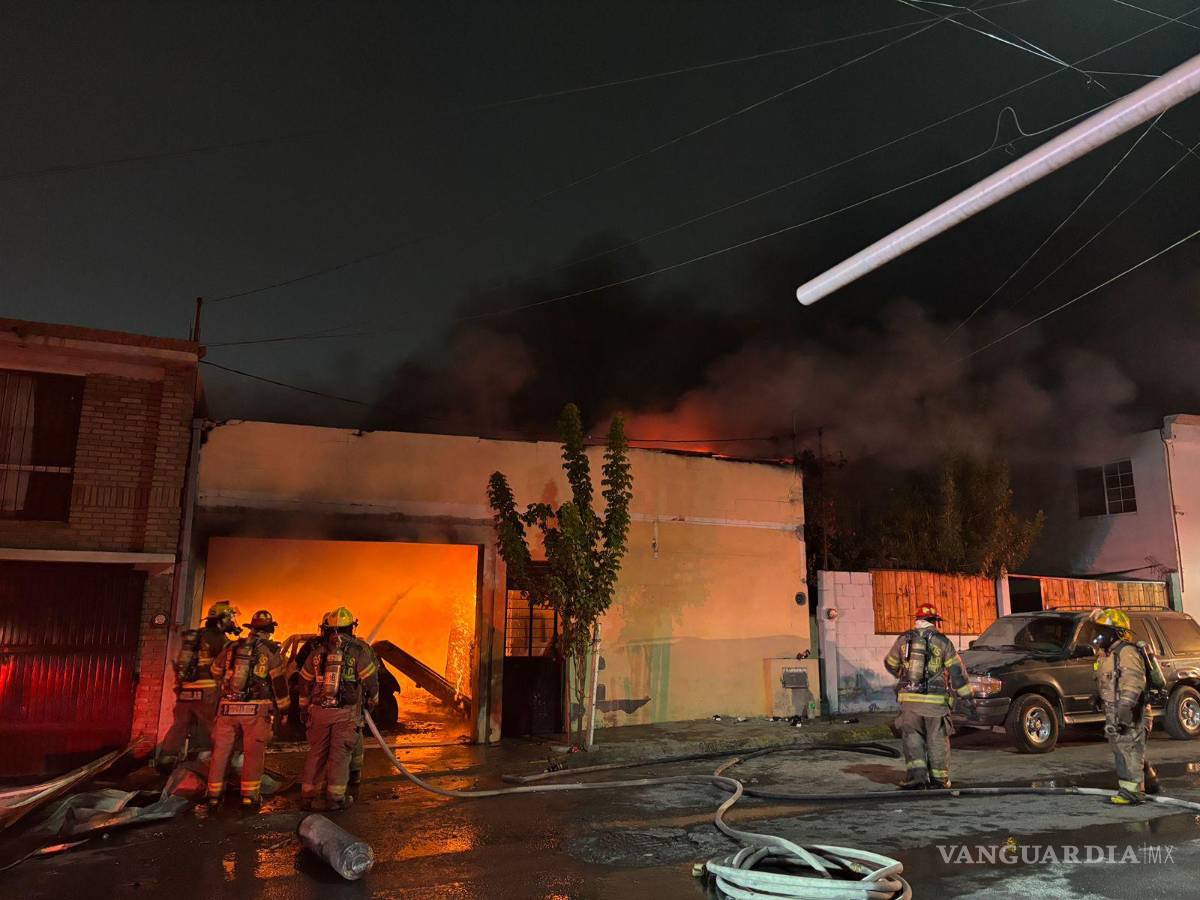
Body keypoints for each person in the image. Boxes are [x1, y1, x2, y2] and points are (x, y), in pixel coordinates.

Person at [884, 603, 974, 789]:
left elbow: (890, 663)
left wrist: (903, 674)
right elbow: (957, 672)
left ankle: (916, 779)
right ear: (934, 621)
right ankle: (939, 780)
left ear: (917, 620)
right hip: (935, 706)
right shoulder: (942, 641)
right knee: (937, 740)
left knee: (912, 739)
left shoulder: (904, 639)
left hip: (909, 703)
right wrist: (968, 697)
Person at [207, 609, 290, 809]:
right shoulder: (270, 650)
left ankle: (213, 795)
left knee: (220, 752)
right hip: (255, 709)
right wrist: (285, 710)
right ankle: (249, 796)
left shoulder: (232, 647)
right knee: (253, 753)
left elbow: (215, 671)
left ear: (251, 629)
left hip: (227, 707)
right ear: (269, 631)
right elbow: (278, 682)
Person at [298, 606, 379, 811]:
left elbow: (304, 681)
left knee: (316, 753)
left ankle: (308, 796)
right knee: (339, 756)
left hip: (318, 712)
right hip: (345, 713)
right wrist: (373, 700)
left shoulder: (317, 652)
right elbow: (371, 680)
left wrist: (303, 707)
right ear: (351, 627)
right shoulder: (359, 650)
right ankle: (335, 799)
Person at [1091, 607, 1166, 805]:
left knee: (1130, 750)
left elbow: (1133, 685)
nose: (1098, 635)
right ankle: (1139, 785)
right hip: (1114, 711)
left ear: (1117, 632)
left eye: (1103, 631)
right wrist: (1097, 697)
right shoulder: (1106, 655)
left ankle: (1134, 793)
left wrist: (1124, 715)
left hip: (1132, 712)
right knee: (1122, 751)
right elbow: (1106, 681)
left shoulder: (1128, 653)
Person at [157, 601, 241, 770]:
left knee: (180, 725)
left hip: (185, 690)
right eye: (230, 618)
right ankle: (215, 764)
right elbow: (224, 665)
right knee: (216, 726)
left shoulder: (196, 636)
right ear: (221, 620)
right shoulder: (220, 639)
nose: (232, 622)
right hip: (207, 690)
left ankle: (165, 761)